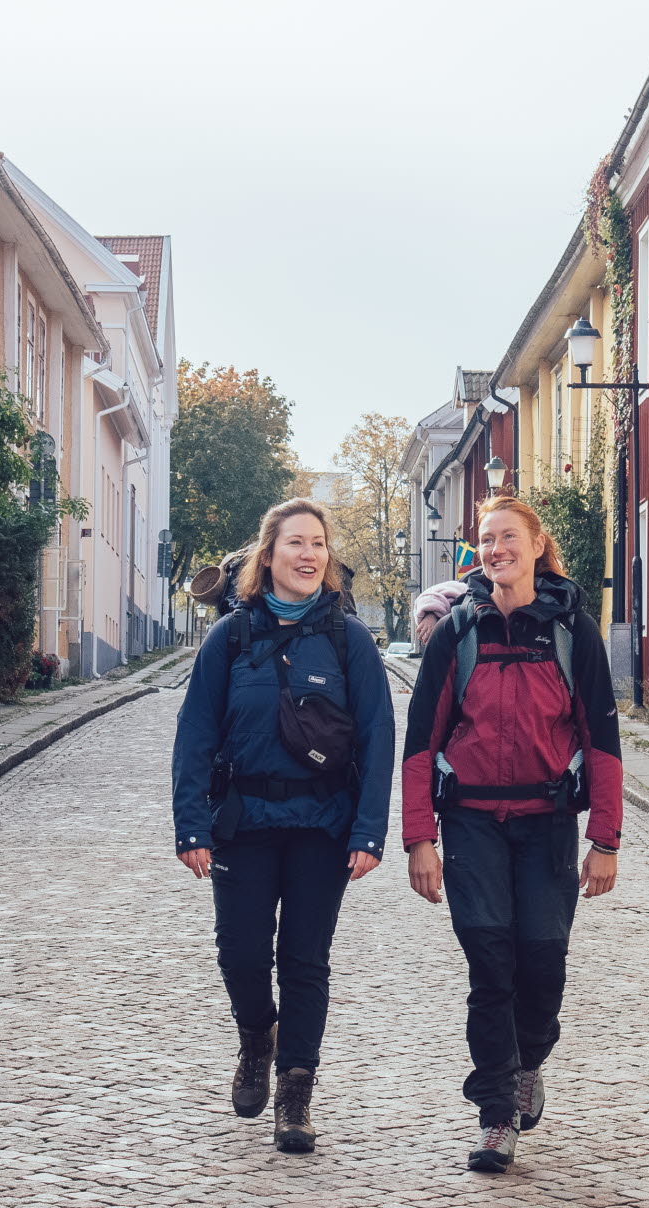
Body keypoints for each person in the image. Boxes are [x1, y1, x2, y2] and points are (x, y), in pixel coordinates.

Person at [401, 497, 623, 1173]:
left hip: (546, 824)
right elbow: (419, 745)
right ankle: (497, 1114)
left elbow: (602, 739)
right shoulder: (457, 633)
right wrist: (420, 838)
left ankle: (528, 1062)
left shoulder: (569, 631)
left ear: (535, 545)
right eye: (485, 540)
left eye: (507, 537)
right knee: (490, 967)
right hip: (470, 824)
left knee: (542, 965)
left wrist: (605, 840)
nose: (495, 548)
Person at [172, 499, 396, 1153]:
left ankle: (295, 1093)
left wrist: (367, 831)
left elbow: (379, 737)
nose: (308, 554)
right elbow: (194, 734)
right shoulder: (230, 637)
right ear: (267, 556)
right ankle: (255, 1038)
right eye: (295, 543)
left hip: (322, 825)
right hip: (242, 820)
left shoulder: (348, 639)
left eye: (318, 544)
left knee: (304, 961)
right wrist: (192, 826)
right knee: (240, 954)